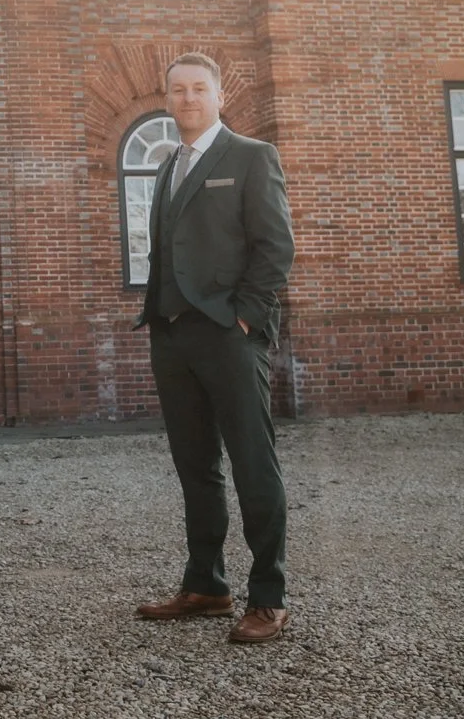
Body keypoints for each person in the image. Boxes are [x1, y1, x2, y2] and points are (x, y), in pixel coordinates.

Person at [134, 51, 295, 644]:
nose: (188, 99)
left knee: (254, 463)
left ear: (218, 96)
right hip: (172, 335)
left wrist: (245, 320)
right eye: (178, 90)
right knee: (195, 466)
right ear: (167, 97)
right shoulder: (166, 165)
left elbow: (275, 247)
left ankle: (269, 595)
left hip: (230, 335)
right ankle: (206, 584)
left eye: (199, 89)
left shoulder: (252, 157)